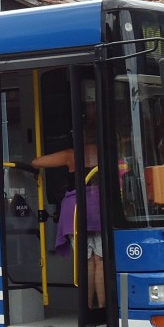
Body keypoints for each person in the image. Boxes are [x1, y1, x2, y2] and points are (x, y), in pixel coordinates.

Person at [32, 130, 105, 311]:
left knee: (86, 261)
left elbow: (37, 162)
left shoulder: (71, 155)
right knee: (100, 260)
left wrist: (35, 172)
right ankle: (103, 307)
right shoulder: (107, 151)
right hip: (100, 210)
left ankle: (87, 307)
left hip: (75, 213)